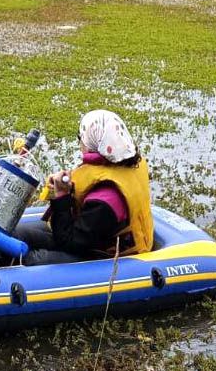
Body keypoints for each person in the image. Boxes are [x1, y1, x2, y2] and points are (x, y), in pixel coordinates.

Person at [14, 110, 153, 265]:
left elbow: (69, 243)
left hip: (102, 255)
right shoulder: (127, 163)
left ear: (93, 142)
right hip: (90, 238)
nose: (80, 143)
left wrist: (61, 195)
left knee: (32, 259)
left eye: (81, 138)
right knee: (18, 235)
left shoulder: (106, 199)